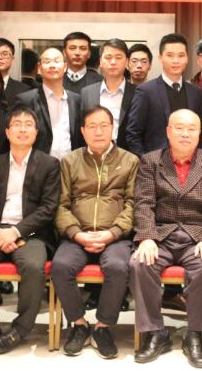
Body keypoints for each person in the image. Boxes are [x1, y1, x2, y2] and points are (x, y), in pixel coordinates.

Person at [130, 109, 202, 367]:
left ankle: (195, 334)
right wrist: (147, 237)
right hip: (161, 234)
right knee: (140, 264)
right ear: (168, 131)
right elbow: (143, 203)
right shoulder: (151, 161)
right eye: (179, 128)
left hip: (197, 236)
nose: (185, 134)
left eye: (191, 129)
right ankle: (155, 332)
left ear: (199, 133)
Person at [0, 103, 60, 357]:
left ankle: (20, 329)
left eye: (28, 125)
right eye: (17, 124)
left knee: (33, 267)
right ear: (7, 132)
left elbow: (48, 209)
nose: (23, 130)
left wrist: (16, 232)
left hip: (32, 233)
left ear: (36, 132)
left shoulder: (49, 164)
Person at [53, 106, 139, 359]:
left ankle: (103, 327)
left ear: (113, 128)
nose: (98, 132)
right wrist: (76, 233)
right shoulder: (69, 161)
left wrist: (113, 233)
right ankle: (79, 324)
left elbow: (134, 204)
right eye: (92, 126)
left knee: (118, 267)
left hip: (115, 237)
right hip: (77, 235)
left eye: (104, 126)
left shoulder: (130, 161)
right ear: (82, 131)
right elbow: (60, 204)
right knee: (60, 266)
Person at [126, 33, 202, 156]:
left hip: (191, 162)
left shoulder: (195, 92)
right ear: (160, 58)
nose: (176, 61)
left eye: (181, 55)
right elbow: (133, 133)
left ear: (187, 58)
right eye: (170, 55)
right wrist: (146, 161)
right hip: (155, 163)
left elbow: (201, 133)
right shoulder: (146, 91)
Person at [17, 47, 84, 159]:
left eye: (57, 61)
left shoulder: (77, 100)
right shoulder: (26, 100)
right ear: (39, 68)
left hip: (72, 165)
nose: (52, 65)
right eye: (47, 62)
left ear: (65, 67)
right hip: (39, 165)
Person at [80, 38, 135, 151]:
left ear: (126, 62)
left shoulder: (138, 93)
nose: (113, 62)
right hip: (94, 154)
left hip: (128, 155)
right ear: (100, 61)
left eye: (118, 57)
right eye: (108, 57)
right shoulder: (87, 93)